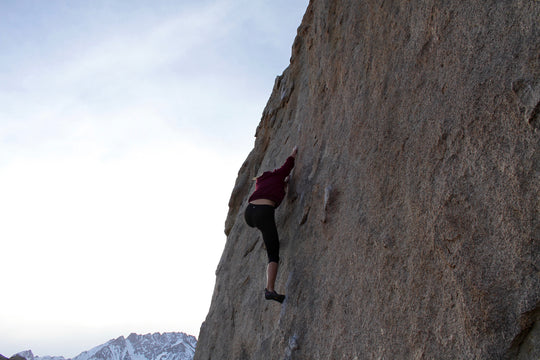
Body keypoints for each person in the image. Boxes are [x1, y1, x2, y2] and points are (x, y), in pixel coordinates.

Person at [244, 146, 298, 303]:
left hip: (250, 213)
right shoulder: (277, 175)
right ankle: (270, 289)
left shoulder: (261, 183)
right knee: (273, 254)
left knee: (270, 240)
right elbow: (287, 166)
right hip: (263, 212)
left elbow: (274, 189)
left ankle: (270, 289)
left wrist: (283, 184)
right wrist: (293, 153)